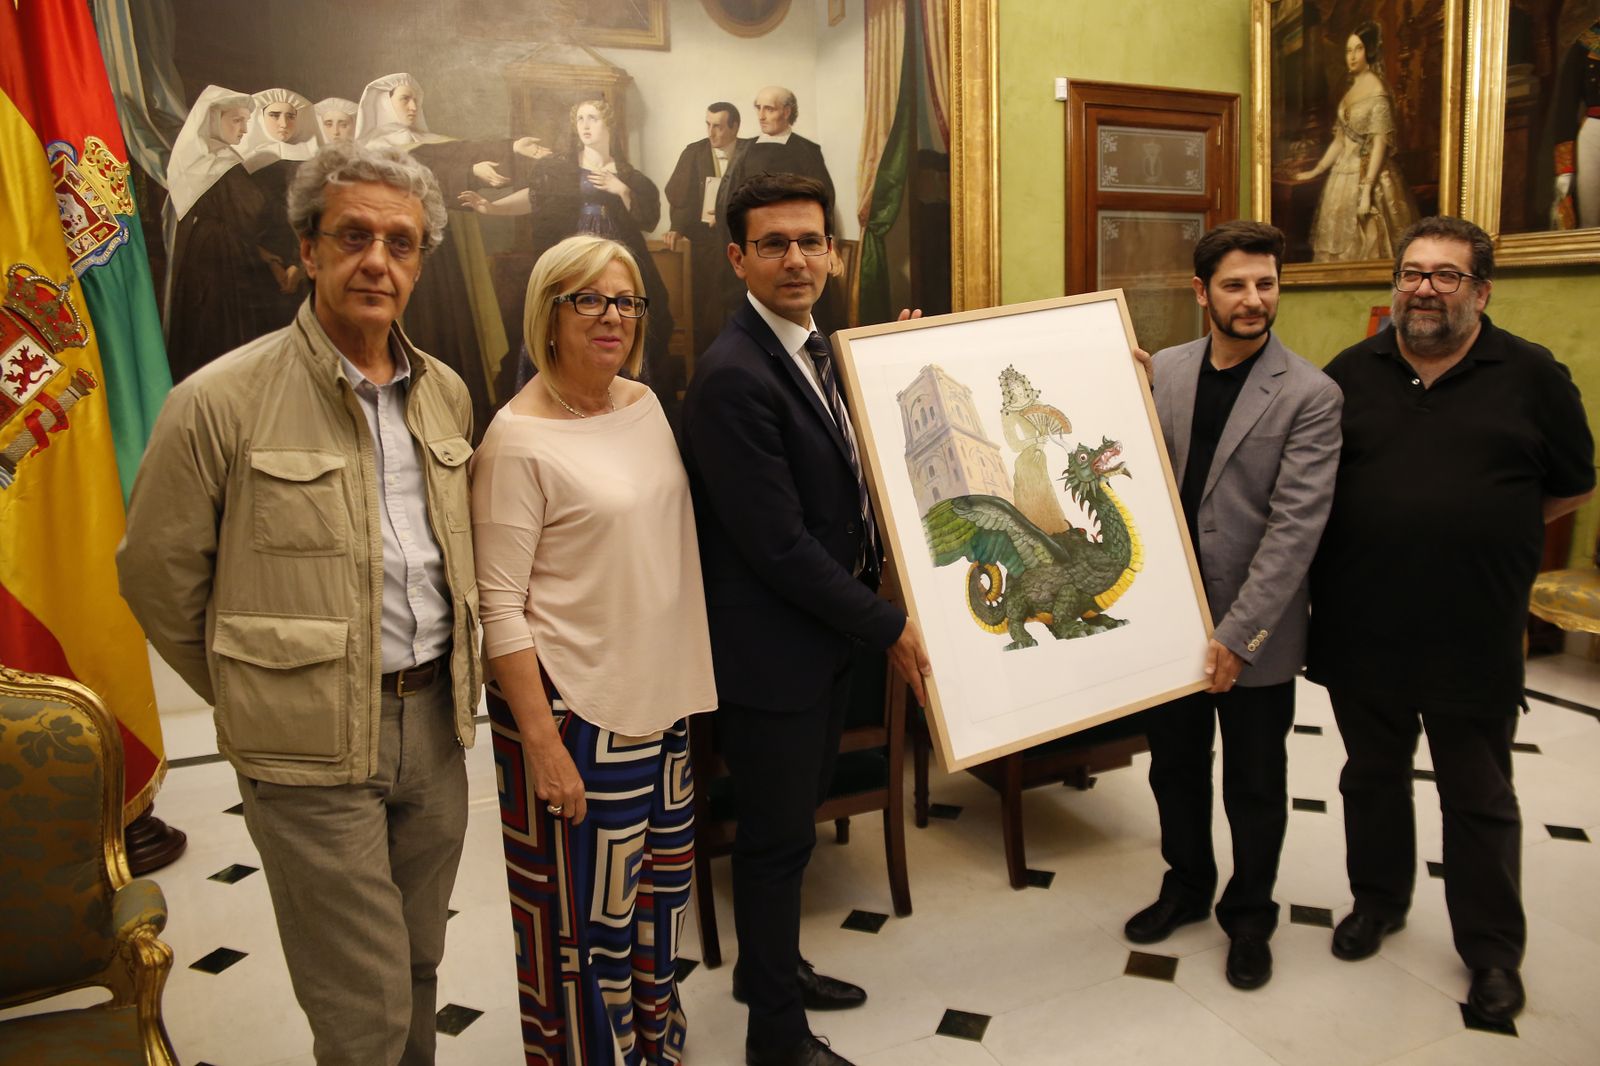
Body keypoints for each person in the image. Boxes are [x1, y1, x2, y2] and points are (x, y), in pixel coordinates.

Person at [118, 141, 482, 1066]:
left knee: (420, 966)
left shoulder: (444, 394)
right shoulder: (219, 402)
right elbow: (157, 575)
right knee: (358, 1008)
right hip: (309, 750)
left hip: (436, 730)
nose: (377, 261)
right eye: (353, 235)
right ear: (307, 250)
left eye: (401, 243)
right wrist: (261, 683)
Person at [1307, 216, 1595, 1024]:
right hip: (1362, 623)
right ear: (1394, 284)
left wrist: (1488, 527)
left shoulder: (1533, 375)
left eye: (1446, 275)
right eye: (1411, 273)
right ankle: (1378, 903)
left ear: (1482, 290)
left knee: (1479, 797)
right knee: (1370, 779)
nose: (1424, 288)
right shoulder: (1348, 373)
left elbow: (1573, 482)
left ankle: (1494, 953)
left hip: (1474, 631)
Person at [679, 171, 932, 1066]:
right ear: (738, 256)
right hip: (773, 656)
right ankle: (775, 1038)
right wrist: (888, 625)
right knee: (778, 842)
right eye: (775, 243)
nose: (797, 259)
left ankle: (766, 971)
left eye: (812, 241)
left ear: (834, 252)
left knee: (795, 822)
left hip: (821, 644)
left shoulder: (822, 348)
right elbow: (779, 548)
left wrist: (894, 362)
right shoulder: (733, 377)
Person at [470, 233, 716, 1065]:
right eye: (589, 299)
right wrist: (542, 746)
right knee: (583, 940)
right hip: (577, 717)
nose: (612, 316)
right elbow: (499, 606)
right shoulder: (516, 440)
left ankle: (658, 1052)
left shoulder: (642, 404)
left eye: (626, 300)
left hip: (661, 706)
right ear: (549, 312)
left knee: (655, 915)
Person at [1126, 221, 1342, 992]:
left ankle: (1249, 917)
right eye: (1236, 285)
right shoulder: (1166, 370)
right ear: (1200, 292)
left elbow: (1295, 531)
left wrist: (1238, 635)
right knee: (1174, 771)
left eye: (1266, 284)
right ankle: (1185, 886)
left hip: (1256, 630)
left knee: (1254, 782)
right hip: (1167, 624)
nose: (1254, 300)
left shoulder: (1312, 394)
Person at [460, 97, 680, 421]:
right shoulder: (561, 167)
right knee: (568, 315)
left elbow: (647, 218)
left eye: (593, 118)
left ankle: (625, 406)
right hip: (574, 253)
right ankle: (560, 404)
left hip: (620, 254)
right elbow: (536, 198)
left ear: (609, 125)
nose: (586, 126)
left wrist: (621, 189)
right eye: (580, 119)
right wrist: (492, 208)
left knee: (624, 313)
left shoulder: (629, 176)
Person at [354, 72, 535, 436]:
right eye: (404, 99)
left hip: (443, 259)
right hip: (400, 256)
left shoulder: (427, 142)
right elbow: (418, 174)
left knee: (454, 332)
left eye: (416, 100)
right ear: (383, 103)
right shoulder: (372, 152)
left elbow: (458, 151)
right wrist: (469, 172)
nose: (412, 106)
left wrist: (511, 149)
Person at [163, 85, 290, 381]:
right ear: (213, 120)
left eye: (246, 121)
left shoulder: (196, 162)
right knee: (222, 328)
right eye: (237, 120)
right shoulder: (223, 164)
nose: (245, 129)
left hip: (201, 250)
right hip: (222, 256)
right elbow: (252, 211)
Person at [717, 87, 844, 333]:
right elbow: (727, 196)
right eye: (758, 108)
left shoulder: (807, 150)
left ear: (786, 112)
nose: (762, 116)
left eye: (769, 108)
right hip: (761, 252)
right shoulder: (745, 150)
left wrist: (830, 243)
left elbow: (824, 198)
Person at [1294, 22, 1418, 262]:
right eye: (1348, 50)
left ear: (1369, 51)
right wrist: (1315, 170)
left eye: (1358, 49)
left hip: (1369, 176)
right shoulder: (1350, 90)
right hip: (1342, 174)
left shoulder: (1377, 90)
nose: (1351, 56)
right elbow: (1340, 141)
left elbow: (1380, 143)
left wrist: (1366, 190)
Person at [664, 101, 751, 357]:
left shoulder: (751, 151)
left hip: (740, 243)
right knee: (706, 308)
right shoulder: (694, 153)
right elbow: (680, 196)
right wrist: (677, 228)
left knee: (740, 305)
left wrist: (727, 216)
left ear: (735, 127)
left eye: (718, 127)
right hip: (705, 247)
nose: (711, 133)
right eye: (708, 125)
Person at [240, 88, 318, 318]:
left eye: (290, 116)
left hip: (306, 264)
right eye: (274, 115)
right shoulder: (245, 167)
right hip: (258, 267)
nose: (283, 123)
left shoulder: (310, 166)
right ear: (260, 119)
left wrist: (298, 265)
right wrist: (269, 260)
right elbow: (241, 223)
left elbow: (316, 219)